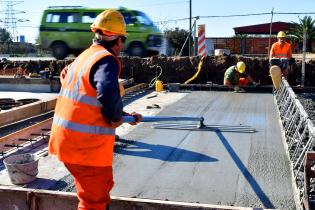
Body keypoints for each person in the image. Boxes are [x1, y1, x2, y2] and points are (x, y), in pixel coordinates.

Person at [48, 9, 142, 210]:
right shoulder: (106, 60)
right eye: (122, 41)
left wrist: (125, 116)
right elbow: (107, 92)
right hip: (85, 149)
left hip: (67, 142)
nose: (122, 46)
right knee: (94, 203)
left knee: (96, 195)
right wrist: (116, 116)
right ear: (118, 40)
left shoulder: (85, 57)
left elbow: (87, 96)